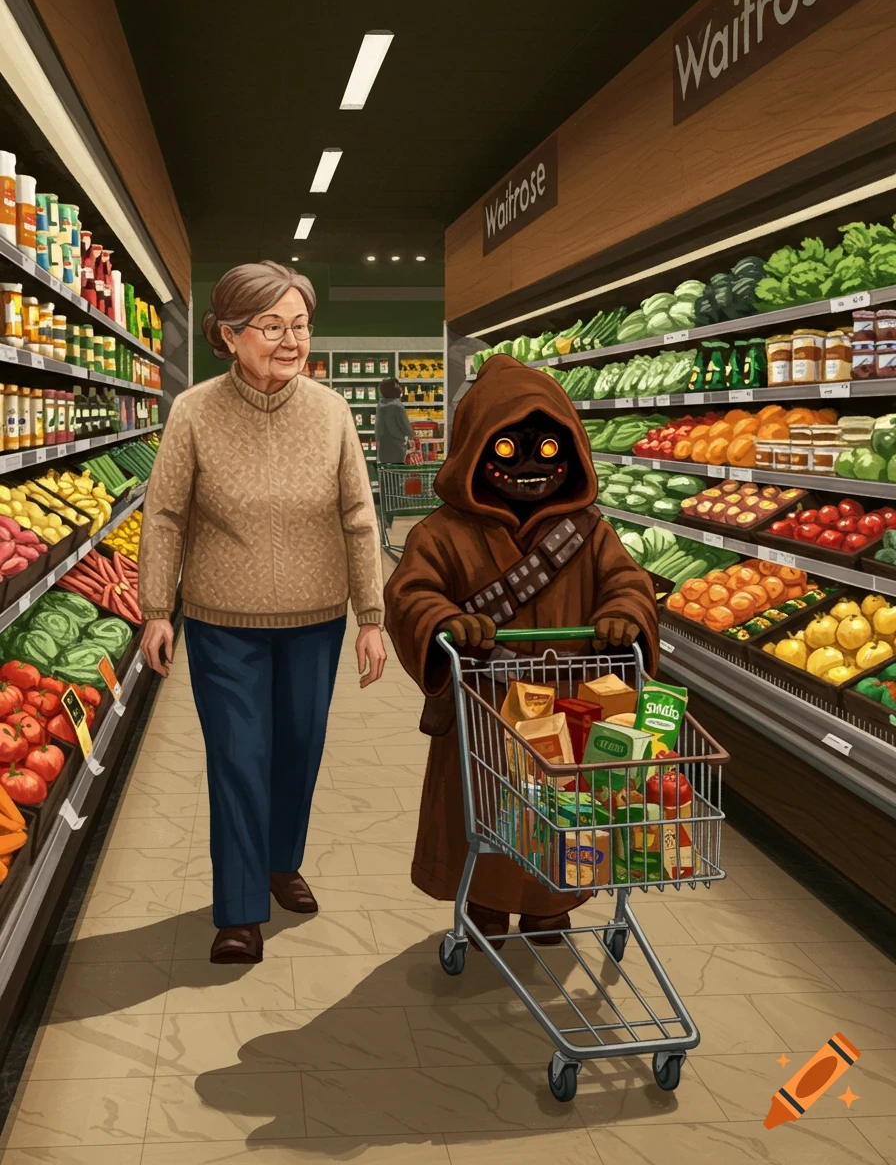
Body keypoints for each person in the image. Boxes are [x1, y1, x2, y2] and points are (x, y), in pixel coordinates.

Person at [139, 260, 387, 965]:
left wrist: (370, 616)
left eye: (300, 326)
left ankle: (282, 862)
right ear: (228, 335)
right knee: (240, 758)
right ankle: (241, 908)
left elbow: (359, 518)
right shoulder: (194, 412)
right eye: (272, 326)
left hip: (317, 619)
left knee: (299, 748)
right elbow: (164, 516)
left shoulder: (332, 410)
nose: (290, 340)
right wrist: (158, 608)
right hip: (223, 621)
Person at [384, 353, 659, 949]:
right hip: (484, 707)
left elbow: (628, 583)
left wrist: (623, 616)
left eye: (549, 451)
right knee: (485, 807)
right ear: (475, 452)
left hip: (571, 709)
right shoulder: (442, 534)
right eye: (507, 451)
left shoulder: (590, 532)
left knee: (564, 808)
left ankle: (549, 906)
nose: (531, 467)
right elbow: (409, 594)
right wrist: (446, 620)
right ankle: (483, 906)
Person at [375, 377, 416, 530]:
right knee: (396, 481)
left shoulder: (380, 405)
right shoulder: (397, 406)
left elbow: (378, 430)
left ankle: (385, 516)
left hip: (383, 448)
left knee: (385, 482)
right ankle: (393, 514)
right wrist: (412, 436)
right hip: (397, 447)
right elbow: (406, 427)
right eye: (397, 386)